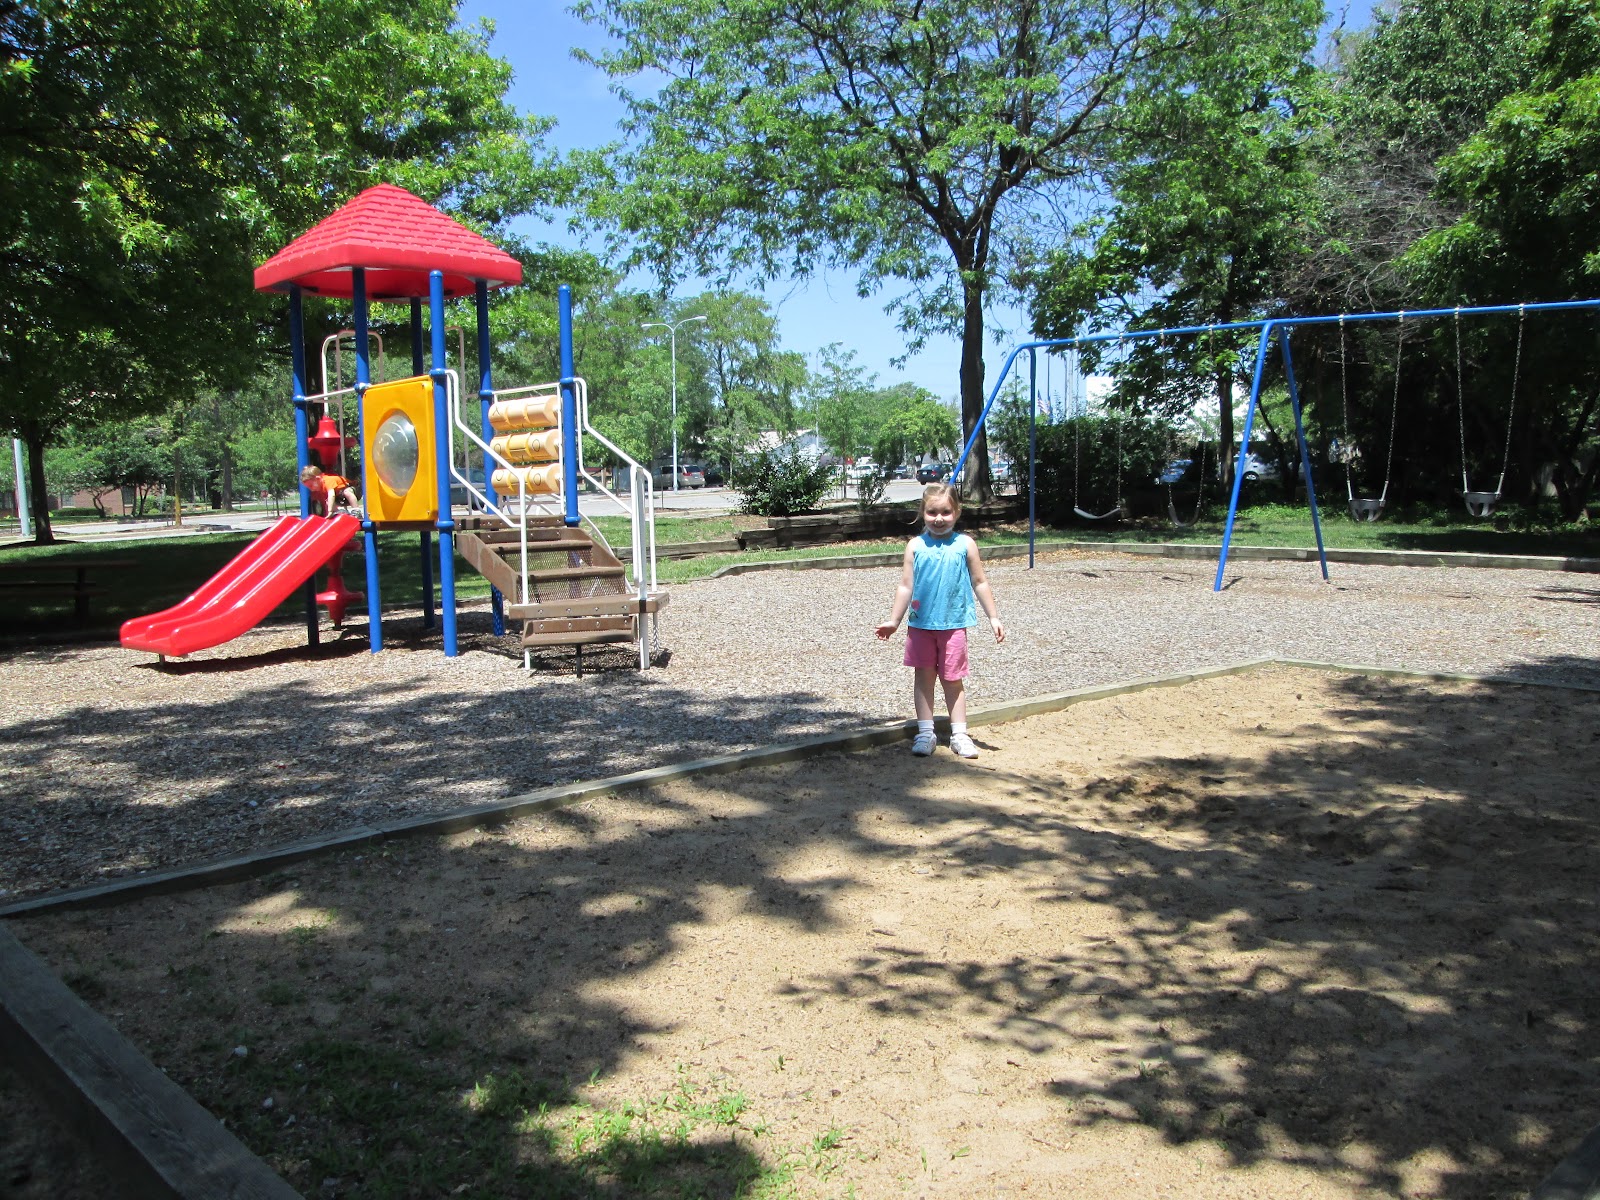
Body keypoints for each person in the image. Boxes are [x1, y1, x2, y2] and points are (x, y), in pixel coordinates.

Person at [875, 482, 1005, 758]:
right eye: (932, 512)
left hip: (953, 625)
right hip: (921, 625)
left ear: (957, 512)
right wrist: (894, 620)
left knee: (953, 680)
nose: (938, 518)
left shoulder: (965, 544)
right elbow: (905, 586)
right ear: (923, 513)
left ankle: (959, 734)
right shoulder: (915, 546)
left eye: (945, 512)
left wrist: (993, 616)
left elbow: (979, 581)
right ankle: (925, 733)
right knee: (923, 678)